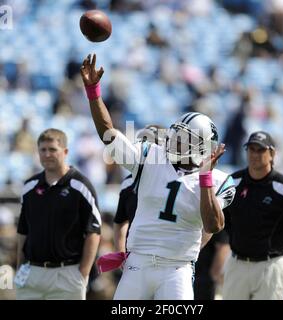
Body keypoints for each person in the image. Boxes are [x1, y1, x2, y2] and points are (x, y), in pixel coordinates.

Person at [80, 54, 236, 300]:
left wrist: (205, 178)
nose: (174, 140)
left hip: (177, 268)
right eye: (176, 134)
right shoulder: (150, 157)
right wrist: (93, 91)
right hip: (138, 263)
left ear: (201, 147)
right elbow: (108, 135)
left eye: (184, 138)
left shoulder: (218, 180)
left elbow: (213, 225)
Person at [16, 128, 101, 300]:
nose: (47, 154)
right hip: (31, 274)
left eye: (52, 149)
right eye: (43, 150)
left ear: (65, 151)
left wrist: (82, 274)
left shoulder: (81, 186)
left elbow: (94, 232)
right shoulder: (29, 187)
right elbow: (23, 231)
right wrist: (19, 265)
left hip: (67, 274)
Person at [222, 131, 283, 300]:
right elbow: (222, 218)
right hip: (237, 263)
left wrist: (280, 251)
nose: (255, 154)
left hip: (271, 266)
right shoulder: (233, 182)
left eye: (260, 150)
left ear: (272, 154)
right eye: (251, 149)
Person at [113, 124, 166, 252]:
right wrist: (121, 253)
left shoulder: (175, 181)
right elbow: (120, 221)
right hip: (136, 253)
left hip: (166, 256)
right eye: (141, 142)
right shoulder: (128, 183)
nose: (143, 148)